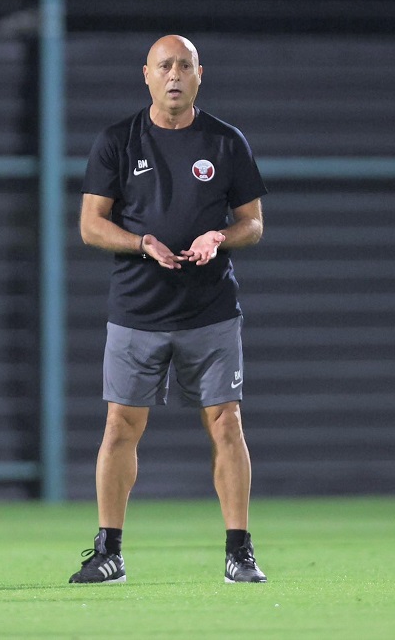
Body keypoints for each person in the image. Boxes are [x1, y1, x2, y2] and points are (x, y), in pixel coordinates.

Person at [70, 35, 268, 583]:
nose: (174, 74)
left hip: (210, 311)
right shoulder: (117, 141)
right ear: (147, 75)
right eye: (165, 66)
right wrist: (142, 243)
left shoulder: (226, 141)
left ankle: (239, 551)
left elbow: (253, 223)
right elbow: (90, 225)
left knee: (227, 424)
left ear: (200, 74)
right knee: (119, 428)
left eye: (184, 65)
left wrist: (219, 238)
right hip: (136, 309)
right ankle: (109, 551)